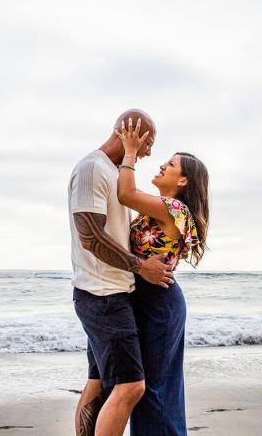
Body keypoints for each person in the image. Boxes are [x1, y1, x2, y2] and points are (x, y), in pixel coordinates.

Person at [69, 109, 174, 436]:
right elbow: (91, 237)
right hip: (103, 297)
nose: (149, 152)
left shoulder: (116, 173)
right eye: (148, 142)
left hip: (111, 293)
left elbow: (120, 233)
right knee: (131, 387)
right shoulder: (92, 169)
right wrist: (142, 267)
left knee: (98, 384)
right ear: (131, 132)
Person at [115, 117, 210, 436]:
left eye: (169, 165)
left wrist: (129, 151)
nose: (161, 166)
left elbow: (125, 193)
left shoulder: (173, 209)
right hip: (151, 300)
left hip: (160, 304)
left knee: (153, 391)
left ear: (182, 181)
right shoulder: (160, 210)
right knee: (153, 390)